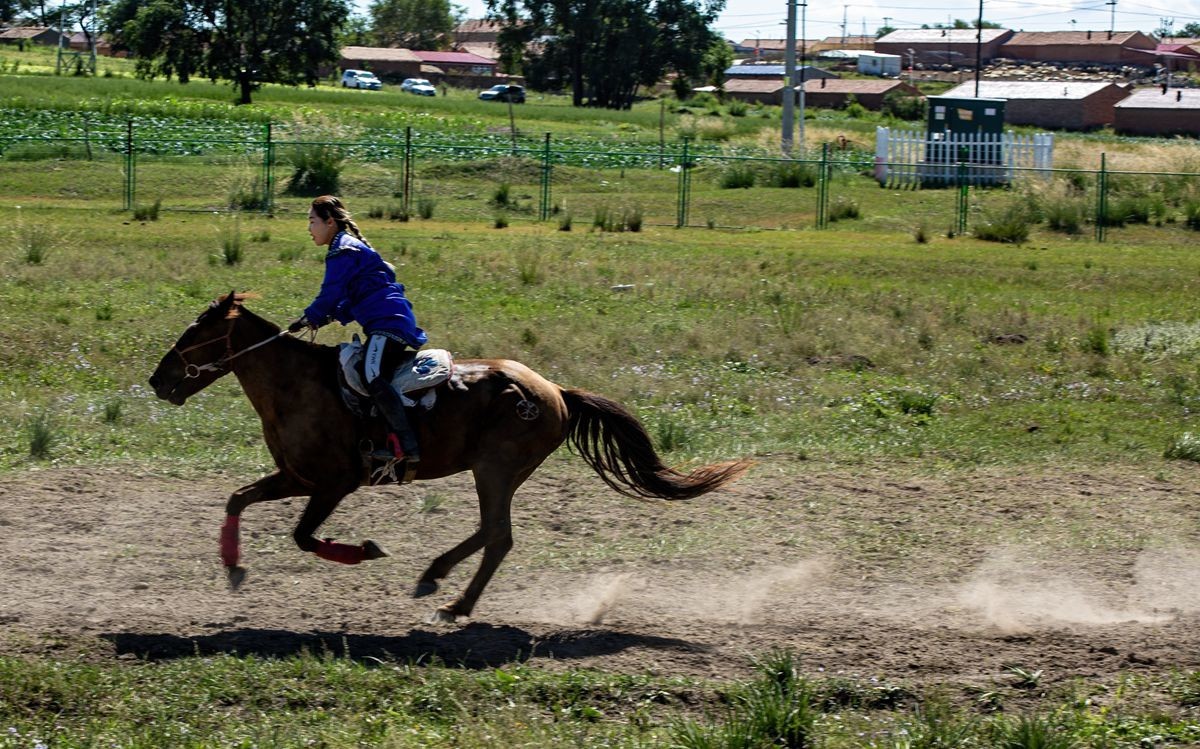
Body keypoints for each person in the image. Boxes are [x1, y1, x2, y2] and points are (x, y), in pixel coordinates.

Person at [289, 195, 426, 470]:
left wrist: (310, 316)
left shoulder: (343, 250)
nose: (309, 228)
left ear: (330, 222)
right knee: (370, 371)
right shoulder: (347, 248)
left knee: (371, 372)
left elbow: (330, 293)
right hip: (388, 319)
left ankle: (406, 445)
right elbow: (352, 301)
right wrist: (325, 318)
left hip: (389, 323)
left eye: (312, 221)